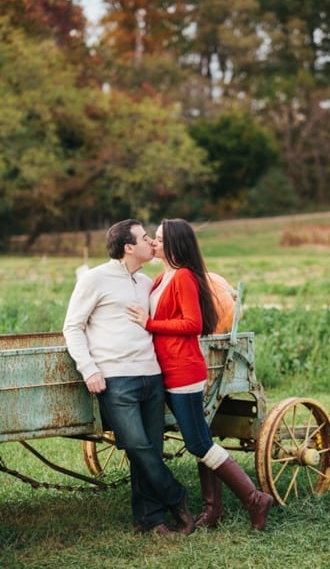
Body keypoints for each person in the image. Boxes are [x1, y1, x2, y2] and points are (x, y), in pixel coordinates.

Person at [127, 218, 273, 531]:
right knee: (201, 437)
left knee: (198, 443)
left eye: (160, 238)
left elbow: (193, 324)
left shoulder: (183, 278)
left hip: (183, 370)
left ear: (174, 245)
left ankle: (255, 499)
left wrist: (149, 323)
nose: (153, 242)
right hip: (165, 370)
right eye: (153, 237)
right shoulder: (160, 279)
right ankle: (214, 510)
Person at [63, 219, 194, 536]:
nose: (152, 241)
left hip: (152, 376)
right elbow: (73, 327)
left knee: (151, 447)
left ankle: (150, 519)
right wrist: (89, 369)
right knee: (137, 446)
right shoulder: (95, 279)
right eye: (145, 237)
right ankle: (177, 498)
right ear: (128, 247)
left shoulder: (146, 282)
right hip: (117, 379)